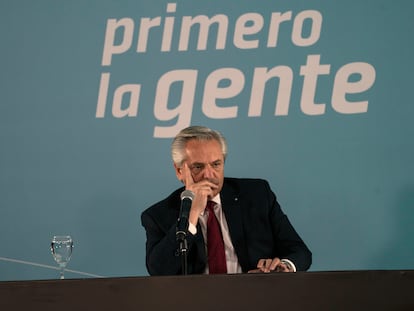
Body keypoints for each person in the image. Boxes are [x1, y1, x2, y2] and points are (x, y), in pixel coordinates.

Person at [141, 125, 312, 275]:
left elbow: (300, 252)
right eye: (198, 167)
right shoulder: (158, 215)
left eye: (216, 164)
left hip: (256, 297)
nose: (209, 175)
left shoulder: (257, 195)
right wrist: (191, 216)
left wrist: (284, 266)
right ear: (179, 171)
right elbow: (159, 271)